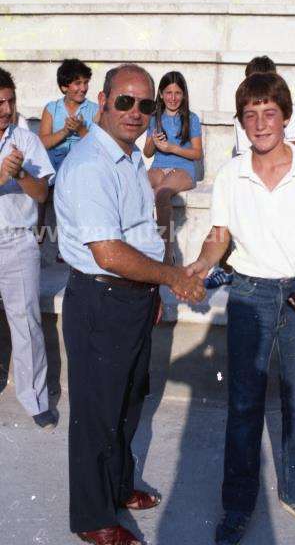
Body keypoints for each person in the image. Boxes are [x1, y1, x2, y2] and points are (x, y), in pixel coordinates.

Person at [54, 63, 205, 545]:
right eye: (125, 101)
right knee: (98, 414)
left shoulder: (127, 158)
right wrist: (173, 278)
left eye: (146, 105)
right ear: (102, 101)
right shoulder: (91, 165)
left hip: (132, 297)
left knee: (128, 402)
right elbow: (110, 252)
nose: (136, 112)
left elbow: (139, 236)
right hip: (103, 299)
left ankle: (118, 487)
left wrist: (153, 290)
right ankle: (93, 518)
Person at [187, 72, 295, 544]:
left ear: (286, 117)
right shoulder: (231, 175)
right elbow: (219, 237)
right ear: (240, 122)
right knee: (245, 404)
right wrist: (197, 266)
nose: (259, 123)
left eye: (268, 113)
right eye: (249, 115)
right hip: (249, 293)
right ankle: (237, 503)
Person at [206, 55, 295, 289]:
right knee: (230, 215)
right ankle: (224, 268)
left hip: (278, 170)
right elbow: (243, 148)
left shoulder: (289, 110)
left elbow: (293, 144)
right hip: (247, 170)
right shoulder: (243, 112)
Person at [0, 67, 56, 429]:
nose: (5, 109)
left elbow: (42, 194)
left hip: (16, 240)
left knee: (27, 322)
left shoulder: (27, 141)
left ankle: (35, 398)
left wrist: (21, 175)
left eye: (10, 101)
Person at [38, 59, 99, 253]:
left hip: (81, 163)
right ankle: (37, 238)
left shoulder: (94, 110)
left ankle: (69, 246)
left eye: (85, 83)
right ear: (65, 87)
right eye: (78, 83)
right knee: (40, 188)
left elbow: (99, 145)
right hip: (54, 164)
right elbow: (43, 142)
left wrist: (81, 130)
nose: (83, 88)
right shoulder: (51, 108)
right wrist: (65, 131)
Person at [143, 71, 203, 264]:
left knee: (161, 192)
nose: (173, 98)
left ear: (183, 95)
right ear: (161, 94)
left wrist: (171, 148)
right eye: (168, 92)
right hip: (159, 166)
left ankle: (166, 252)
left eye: (178, 93)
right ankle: (141, 243)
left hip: (183, 169)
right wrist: (154, 139)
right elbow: (147, 152)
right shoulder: (155, 117)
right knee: (136, 184)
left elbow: (196, 153)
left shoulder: (191, 118)